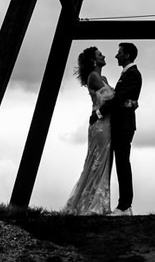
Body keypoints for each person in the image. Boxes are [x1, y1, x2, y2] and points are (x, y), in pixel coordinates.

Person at [62, 47, 115, 214]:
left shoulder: (102, 77)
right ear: (94, 60)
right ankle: (94, 203)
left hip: (105, 121)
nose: (104, 55)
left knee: (99, 161)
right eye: (100, 55)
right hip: (100, 124)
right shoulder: (94, 76)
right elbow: (110, 97)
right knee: (98, 161)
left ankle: (92, 200)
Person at [108, 42, 142, 214]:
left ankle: (125, 205)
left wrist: (99, 113)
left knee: (122, 163)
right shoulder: (128, 74)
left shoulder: (132, 74)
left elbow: (119, 98)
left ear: (127, 55)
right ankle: (123, 204)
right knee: (120, 163)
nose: (116, 56)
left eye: (119, 52)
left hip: (124, 125)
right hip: (121, 124)